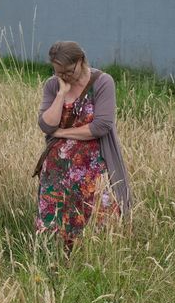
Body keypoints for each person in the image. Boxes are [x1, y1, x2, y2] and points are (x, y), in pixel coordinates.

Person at [35, 41, 132, 250]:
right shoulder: (53, 85)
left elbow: (101, 126)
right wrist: (61, 94)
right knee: (54, 221)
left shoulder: (103, 82)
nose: (64, 76)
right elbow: (46, 124)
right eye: (59, 72)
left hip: (93, 169)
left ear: (81, 61)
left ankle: (88, 261)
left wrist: (61, 133)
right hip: (56, 172)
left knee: (95, 218)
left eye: (68, 71)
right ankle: (55, 263)